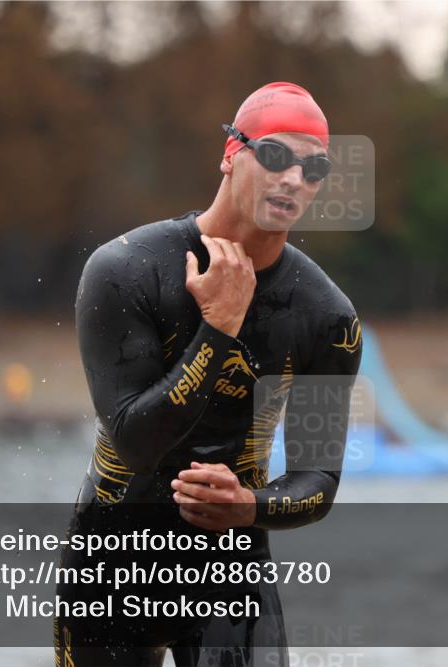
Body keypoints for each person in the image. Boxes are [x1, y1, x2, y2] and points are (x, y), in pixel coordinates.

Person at [54, 81, 363, 667]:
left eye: (314, 168)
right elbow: (135, 440)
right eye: (275, 155)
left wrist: (249, 506)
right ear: (230, 154)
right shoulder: (126, 269)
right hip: (111, 562)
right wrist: (219, 328)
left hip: (231, 574)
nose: (293, 179)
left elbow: (318, 479)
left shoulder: (326, 317)